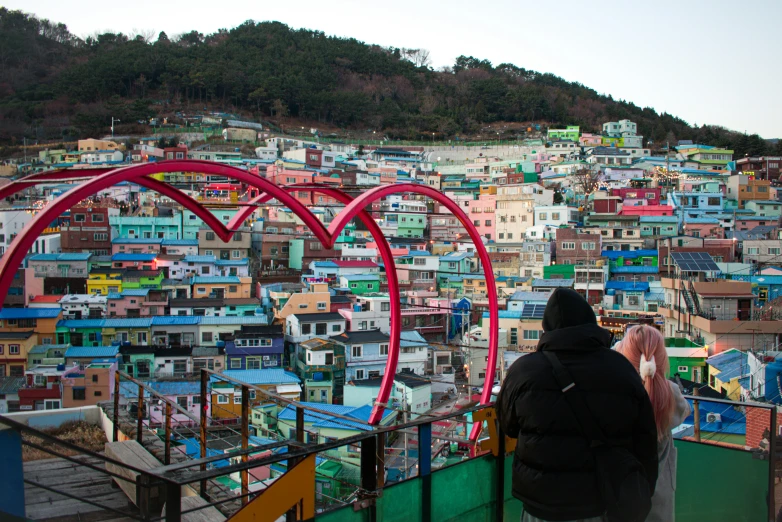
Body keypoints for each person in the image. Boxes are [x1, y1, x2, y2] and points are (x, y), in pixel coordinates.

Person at [496, 288, 658, 522]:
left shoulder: (523, 371)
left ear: (547, 327)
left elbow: (508, 425)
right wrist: (639, 493)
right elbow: (645, 441)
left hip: (541, 503)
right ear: (589, 323)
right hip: (600, 502)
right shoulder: (621, 369)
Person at [616, 325, 690, 522]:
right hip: (660, 495)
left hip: (619, 492)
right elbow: (684, 412)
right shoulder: (671, 392)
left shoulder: (615, 392)